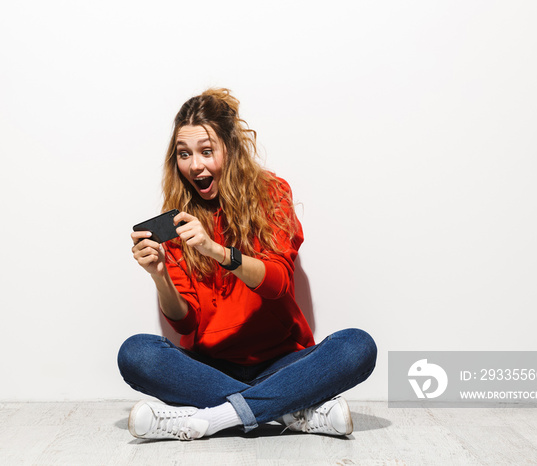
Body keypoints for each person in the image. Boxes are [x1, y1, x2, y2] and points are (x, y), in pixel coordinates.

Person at [118, 88, 376, 441]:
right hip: (211, 367)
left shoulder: (271, 194)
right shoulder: (177, 221)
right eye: (184, 154)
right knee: (136, 354)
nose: (195, 165)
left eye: (207, 151)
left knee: (357, 347)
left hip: (283, 364)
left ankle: (212, 418)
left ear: (230, 148)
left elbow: (279, 283)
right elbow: (185, 320)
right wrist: (160, 275)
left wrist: (217, 251)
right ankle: (290, 410)